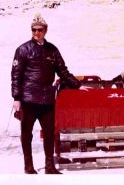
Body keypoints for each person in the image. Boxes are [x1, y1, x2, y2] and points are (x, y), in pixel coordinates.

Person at [11, 13, 82, 174]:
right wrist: (16, 98)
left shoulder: (52, 50)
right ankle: (28, 166)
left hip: (47, 99)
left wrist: (78, 85)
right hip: (28, 99)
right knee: (26, 134)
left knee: (49, 134)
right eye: (34, 30)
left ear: (46, 30)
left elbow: (62, 71)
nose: (37, 33)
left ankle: (50, 166)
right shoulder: (22, 49)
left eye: (40, 29)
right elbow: (16, 75)